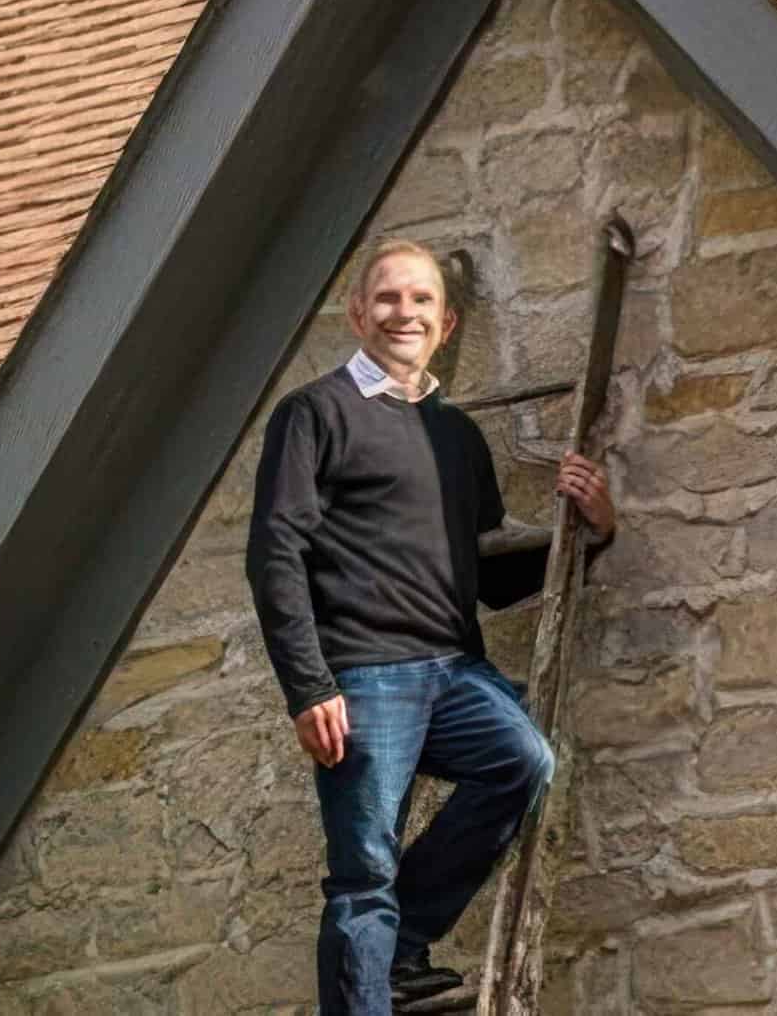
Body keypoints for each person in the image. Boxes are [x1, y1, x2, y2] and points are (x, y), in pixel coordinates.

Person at [245, 238, 618, 1016]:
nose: (403, 312)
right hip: (361, 675)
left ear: (445, 326)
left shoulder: (457, 437)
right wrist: (307, 686)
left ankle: (403, 948)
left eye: (421, 301)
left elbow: (483, 579)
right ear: (357, 313)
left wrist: (591, 532)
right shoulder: (313, 414)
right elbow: (273, 551)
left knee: (523, 763)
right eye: (387, 297)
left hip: (453, 670)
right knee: (363, 867)